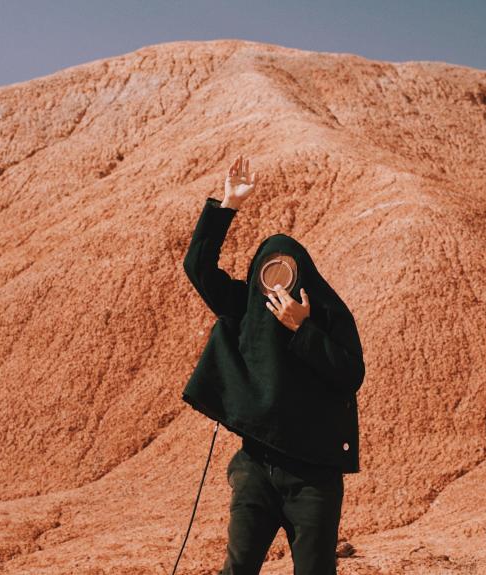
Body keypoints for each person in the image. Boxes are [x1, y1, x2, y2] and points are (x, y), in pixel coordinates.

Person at [182, 154, 365, 574]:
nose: (277, 287)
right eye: (268, 275)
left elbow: (351, 373)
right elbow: (197, 267)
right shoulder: (249, 309)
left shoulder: (328, 316)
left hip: (314, 477)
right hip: (255, 466)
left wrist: (303, 330)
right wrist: (227, 205)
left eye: (286, 275)